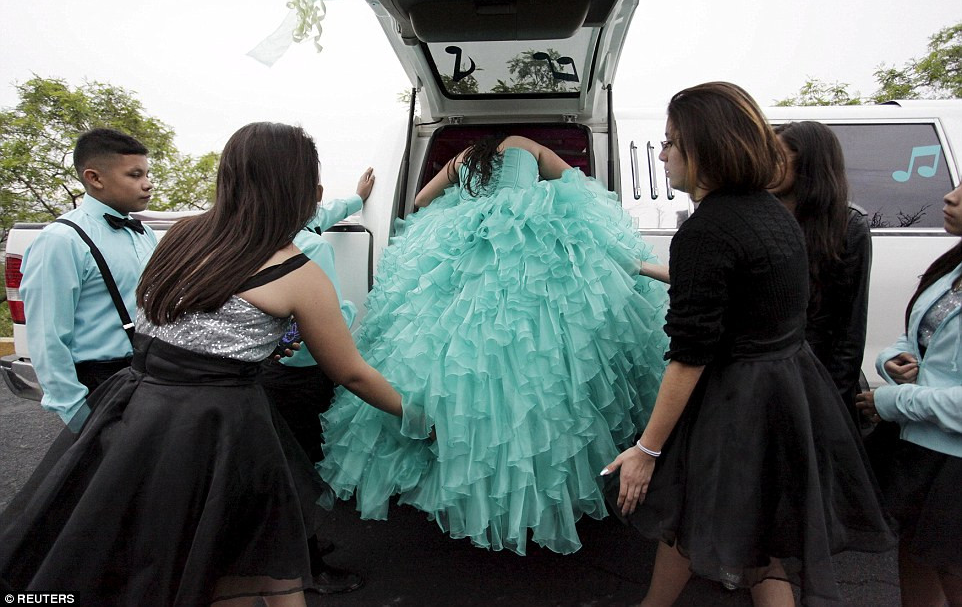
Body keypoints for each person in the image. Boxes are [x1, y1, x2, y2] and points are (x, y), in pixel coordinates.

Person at [0, 122, 414, 605]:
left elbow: (165, 317)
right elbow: (351, 372)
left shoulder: (180, 234)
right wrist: (417, 415)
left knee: (144, 557)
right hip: (219, 426)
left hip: (138, 409)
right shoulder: (297, 268)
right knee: (257, 571)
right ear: (299, 186)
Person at [602, 82, 893, 605]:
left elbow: (690, 352)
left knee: (738, 531)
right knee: (733, 523)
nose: (663, 154)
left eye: (671, 142)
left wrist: (647, 449)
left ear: (705, 150)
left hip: (739, 402)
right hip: (784, 387)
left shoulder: (709, 230)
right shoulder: (770, 213)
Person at [319, 133, 669, 555]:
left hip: (464, 252)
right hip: (528, 257)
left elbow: (420, 201)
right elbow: (575, 185)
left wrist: (463, 208)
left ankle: (469, 485)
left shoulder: (464, 156)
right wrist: (538, 196)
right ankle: (532, 490)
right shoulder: (527, 144)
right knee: (536, 363)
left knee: (459, 361)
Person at [258, 166, 375, 595]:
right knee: (300, 473)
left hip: (274, 374)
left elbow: (325, 213)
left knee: (291, 466)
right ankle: (307, 568)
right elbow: (321, 320)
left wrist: (357, 199)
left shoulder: (277, 231)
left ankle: (302, 547)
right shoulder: (307, 247)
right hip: (301, 374)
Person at [855, 183, 962, 607]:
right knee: (916, 557)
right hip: (923, 453)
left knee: (949, 569)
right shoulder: (952, 266)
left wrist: (891, 402)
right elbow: (920, 337)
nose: (950, 197)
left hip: (954, 467)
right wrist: (893, 359)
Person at [20, 128, 156, 432]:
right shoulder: (61, 240)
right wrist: (78, 417)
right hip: (99, 382)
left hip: (148, 377)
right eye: (134, 175)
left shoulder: (144, 233)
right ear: (94, 178)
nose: (147, 184)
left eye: (147, 173)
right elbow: (47, 339)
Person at [772, 121, 872, 422]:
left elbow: (849, 330)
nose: (765, 164)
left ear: (807, 162)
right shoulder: (760, 217)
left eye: (777, 156)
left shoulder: (847, 226)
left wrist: (831, 402)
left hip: (818, 377)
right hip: (763, 375)